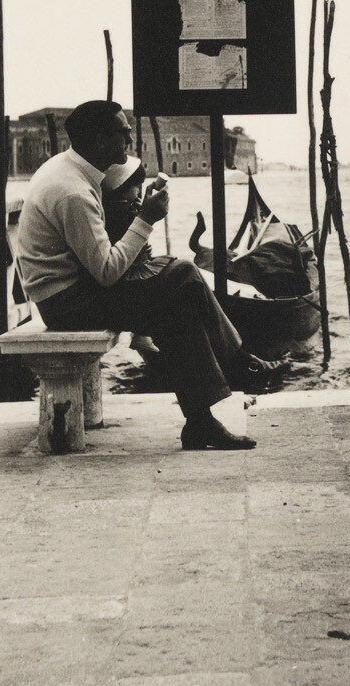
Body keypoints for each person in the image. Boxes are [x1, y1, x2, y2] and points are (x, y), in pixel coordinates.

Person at [16, 100, 264, 450]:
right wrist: (145, 219)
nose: (130, 141)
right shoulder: (72, 192)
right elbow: (106, 272)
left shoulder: (67, 169)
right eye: (124, 133)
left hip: (69, 293)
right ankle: (238, 363)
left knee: (176, 310)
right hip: (66, 304)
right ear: (101, 141)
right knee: (185, 272)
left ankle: (201, 422)